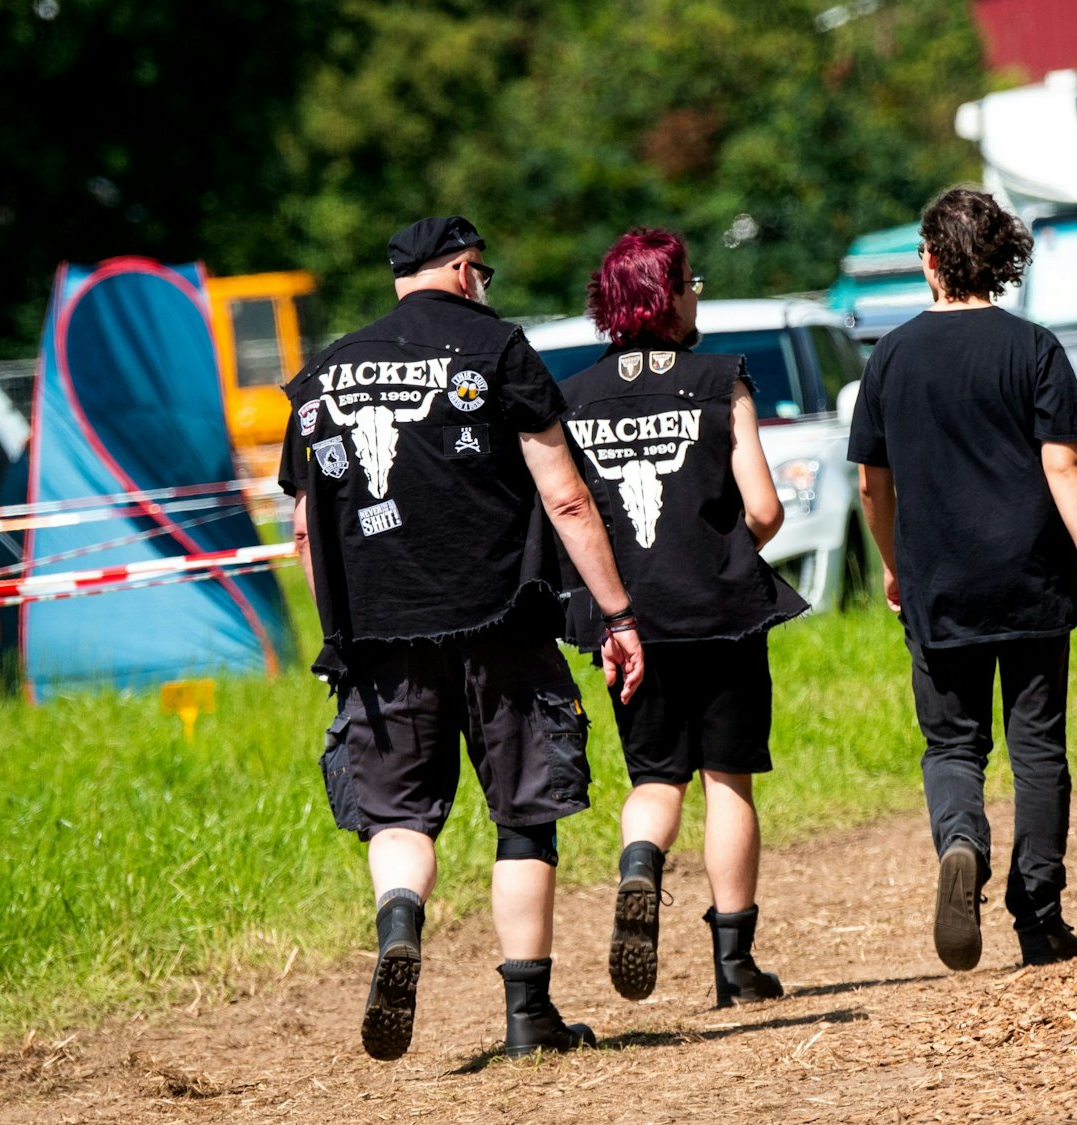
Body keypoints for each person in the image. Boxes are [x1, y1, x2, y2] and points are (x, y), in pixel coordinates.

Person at [279, 215, 646, 1060]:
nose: (489, 284)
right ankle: (528, 1015)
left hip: (378, 635)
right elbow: (566, 497)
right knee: (525, 811)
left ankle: (400, 924)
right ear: (459, 267)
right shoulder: (499, 348)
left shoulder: (322, 373)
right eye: (483, 268)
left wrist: (344, 627)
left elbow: (305, 531)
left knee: (400, 814)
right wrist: (618, 614)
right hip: (503, 620)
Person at [847, 186, 1077, 971]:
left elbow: (873, 483)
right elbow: (1064, 463)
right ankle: (1039, 919)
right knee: (1037, 748)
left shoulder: (890, 356)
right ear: (999, 260)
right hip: (1033, 579)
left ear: (929, 260)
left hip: (939, 585)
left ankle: (961, 841)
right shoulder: (1032, 347)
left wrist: (896, 565)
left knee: (952, 746)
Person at [558, 228, 807, 1008]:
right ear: (666, 298)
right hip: (723, 608)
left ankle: (640, 867)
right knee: (728, 779)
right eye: (692, 283)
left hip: (629, 620)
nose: (699, 294)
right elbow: (763, 507)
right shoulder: (719, 377)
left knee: (655, 777)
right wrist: (729, 546)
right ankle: (735, 966)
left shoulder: (574, 397)